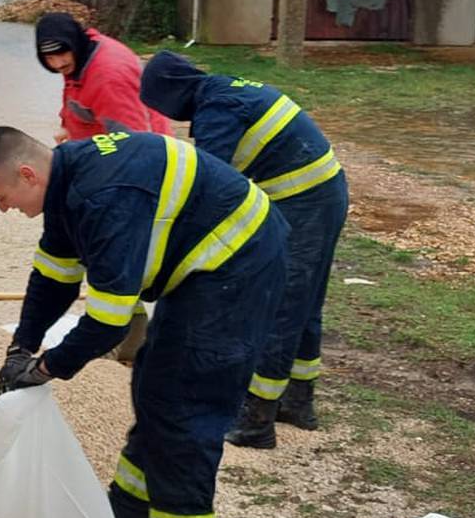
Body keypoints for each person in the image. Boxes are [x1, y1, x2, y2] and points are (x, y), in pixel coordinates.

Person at [0, 124, 285, 518]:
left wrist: (48, 367)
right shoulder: (67, 184)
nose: (2, 210)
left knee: (184, 406)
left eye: (2, 197)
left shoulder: (104, 198)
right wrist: (21, 346)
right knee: (156, 387)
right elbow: (52, 279)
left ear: (28, 174)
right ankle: (132, 515)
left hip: (238, 265)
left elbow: (111, 321)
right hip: (205, 267)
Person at [139, 53, 349, 448]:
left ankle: (256, 421)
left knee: (282, 304)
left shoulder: (215, 111)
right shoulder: (222, 90)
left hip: (306, 202)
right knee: (305, 303)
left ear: (170, 93)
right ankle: (298, 402)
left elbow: (210, 185)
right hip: (321, 193)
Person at [33, 11, 168, 143]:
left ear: (74, 44)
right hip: (99, 145)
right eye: (50, 58)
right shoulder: (81, 53)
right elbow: (77, 96)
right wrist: (68, 129)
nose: (58, 64)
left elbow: (132, 142)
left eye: (62, 54)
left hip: (146, 151)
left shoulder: (108, 79)